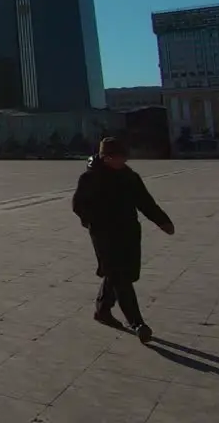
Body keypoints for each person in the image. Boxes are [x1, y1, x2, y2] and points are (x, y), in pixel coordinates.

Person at [72, 137, 174, 343]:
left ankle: (102, 310)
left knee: (122, 272)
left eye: (122, 156)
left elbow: (145, 202)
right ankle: (137, 323)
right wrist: (92, 221)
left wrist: (163, 221)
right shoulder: (90, 178)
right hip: (104, 234)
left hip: (128, 232)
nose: (121, 161)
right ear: (104, 157)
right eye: (115, 157)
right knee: (120, 277)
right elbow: (78, 205)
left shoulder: (130, 177)